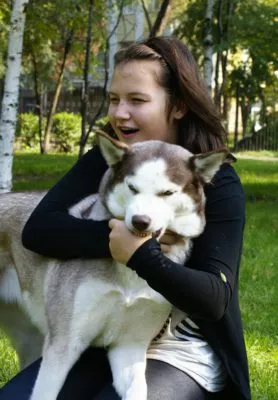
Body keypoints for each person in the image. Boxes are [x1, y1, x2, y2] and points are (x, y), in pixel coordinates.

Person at [0, 37, 250, 400]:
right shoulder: (110, 160)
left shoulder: (216, 180)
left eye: (137, 100)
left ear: (178, 105)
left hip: (181, 351)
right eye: (114, 98)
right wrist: (115, 238)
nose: (119, 113)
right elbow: (40, 230)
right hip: (103, 335)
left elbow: (213, 297)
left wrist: (140, 255)